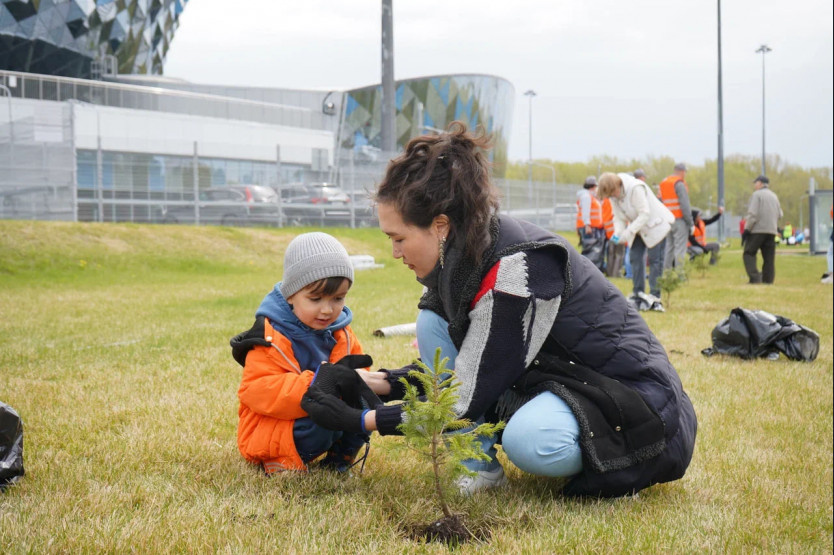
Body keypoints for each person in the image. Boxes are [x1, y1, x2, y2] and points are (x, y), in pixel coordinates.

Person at [301, 123, 697, 498]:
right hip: (563, 381)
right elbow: (466, 366)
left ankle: (602, 458)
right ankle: (479, 468)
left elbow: (464, 395)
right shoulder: (460, 260)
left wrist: (361, 421)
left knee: (532, 441)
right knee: (432, 321)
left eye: (399, 237)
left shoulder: (520, 268)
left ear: (440, 226)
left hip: (637, 406)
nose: (395, 252)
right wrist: (373, 381)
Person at [230, 232, 373, 475]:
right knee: (321, 419)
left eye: (338, 298)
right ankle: (280, 460)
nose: (327, 310)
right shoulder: (270, 337)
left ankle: (340, 458)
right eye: (315, 299)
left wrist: (358, 385)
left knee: (364, 403)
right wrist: (321, 384)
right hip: (275, 427)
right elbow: (256, 390)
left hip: (324, 413)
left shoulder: (342, 334)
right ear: (290, 295)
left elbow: (357, 379)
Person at [598, 171, 674, 312]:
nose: (612, 197)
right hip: (638, 227)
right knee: (635, 257)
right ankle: (638, 293)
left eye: (612, 193)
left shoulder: (635, 188)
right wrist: (618, 233)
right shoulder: (613, 195)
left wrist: (629, 232)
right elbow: (618, 217)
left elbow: (645, 213)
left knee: (655, 260)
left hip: (655, 225)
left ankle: (654, 296)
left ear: (616, 186)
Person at [743, 175, 782, 284]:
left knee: (749, 253)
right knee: (769, 257)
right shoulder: (774, 196)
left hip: (757, 230)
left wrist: (747, 229)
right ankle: (768, 280)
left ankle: (755, 278)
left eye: (755, 183)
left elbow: (753, 214)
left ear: (760, 183)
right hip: (771, 230)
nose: (755, 185)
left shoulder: (757, 195)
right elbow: (780, 214)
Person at [659, 163, 694, 270]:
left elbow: (660, 201)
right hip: (679, 220)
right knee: (680, 248)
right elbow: (685, 205)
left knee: (669, 247)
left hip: (667, 220)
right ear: (682, 172)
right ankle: (680, 275)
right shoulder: (679, 184)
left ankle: (667, 273)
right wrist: (691, 223)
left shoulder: (664, 183)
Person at [575, 176, 605, 271]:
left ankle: (589, 270)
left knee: (591, 249)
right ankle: (587, 270)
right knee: (590, 249)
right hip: (589, 227)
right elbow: (586, 212)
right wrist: (587, 225)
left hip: (591, 227)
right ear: (592, 187)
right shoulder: (586, 197)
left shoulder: (590, 196)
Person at [602, 196, 625, 278]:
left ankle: (609, 272)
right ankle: (616, 273)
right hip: (617, 232)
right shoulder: (617, 200)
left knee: (611, 253)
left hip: (609, 232)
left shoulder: (606, 200)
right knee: (619, 252)